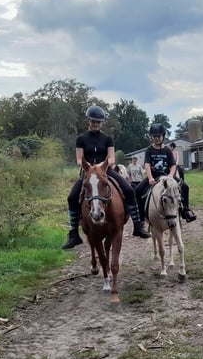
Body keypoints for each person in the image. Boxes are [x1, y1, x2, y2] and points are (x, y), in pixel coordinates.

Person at [62, 105, 150, 250]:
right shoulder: (81, 139)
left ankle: (137, 224)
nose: (95, 124)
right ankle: (73, 233)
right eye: (93, 121)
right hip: (88, 172)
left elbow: (111, 158)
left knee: (129, 190)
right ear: (88, 121)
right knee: (72, 197)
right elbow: (79, 159)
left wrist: (101, 166)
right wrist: (90, 167)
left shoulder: (108, 138)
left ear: (102, 123)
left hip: (106, 170)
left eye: (98, 121)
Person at [135, 124, 197, 222]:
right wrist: (150, 177)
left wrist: (170, 176)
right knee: (137, 190)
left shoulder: (167, 150)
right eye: (154, 136)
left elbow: (173, 165)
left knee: (185, 187)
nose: (157, 139)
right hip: (154, 175)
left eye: (159, 136)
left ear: (163, 136)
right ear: (151, 137)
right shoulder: (149, 150)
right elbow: (147, 164)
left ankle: (186, 211)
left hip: (167, 175)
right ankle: (141, 217)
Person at [169, 142, 196, 222]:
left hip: (173, 167)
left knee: (184, 184)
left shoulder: (175, 152)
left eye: (171, 146)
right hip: (166, 170)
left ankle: (186, 210)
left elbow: (177, 160)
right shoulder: (167, 152)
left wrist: (176, 164)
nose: (170, 147)